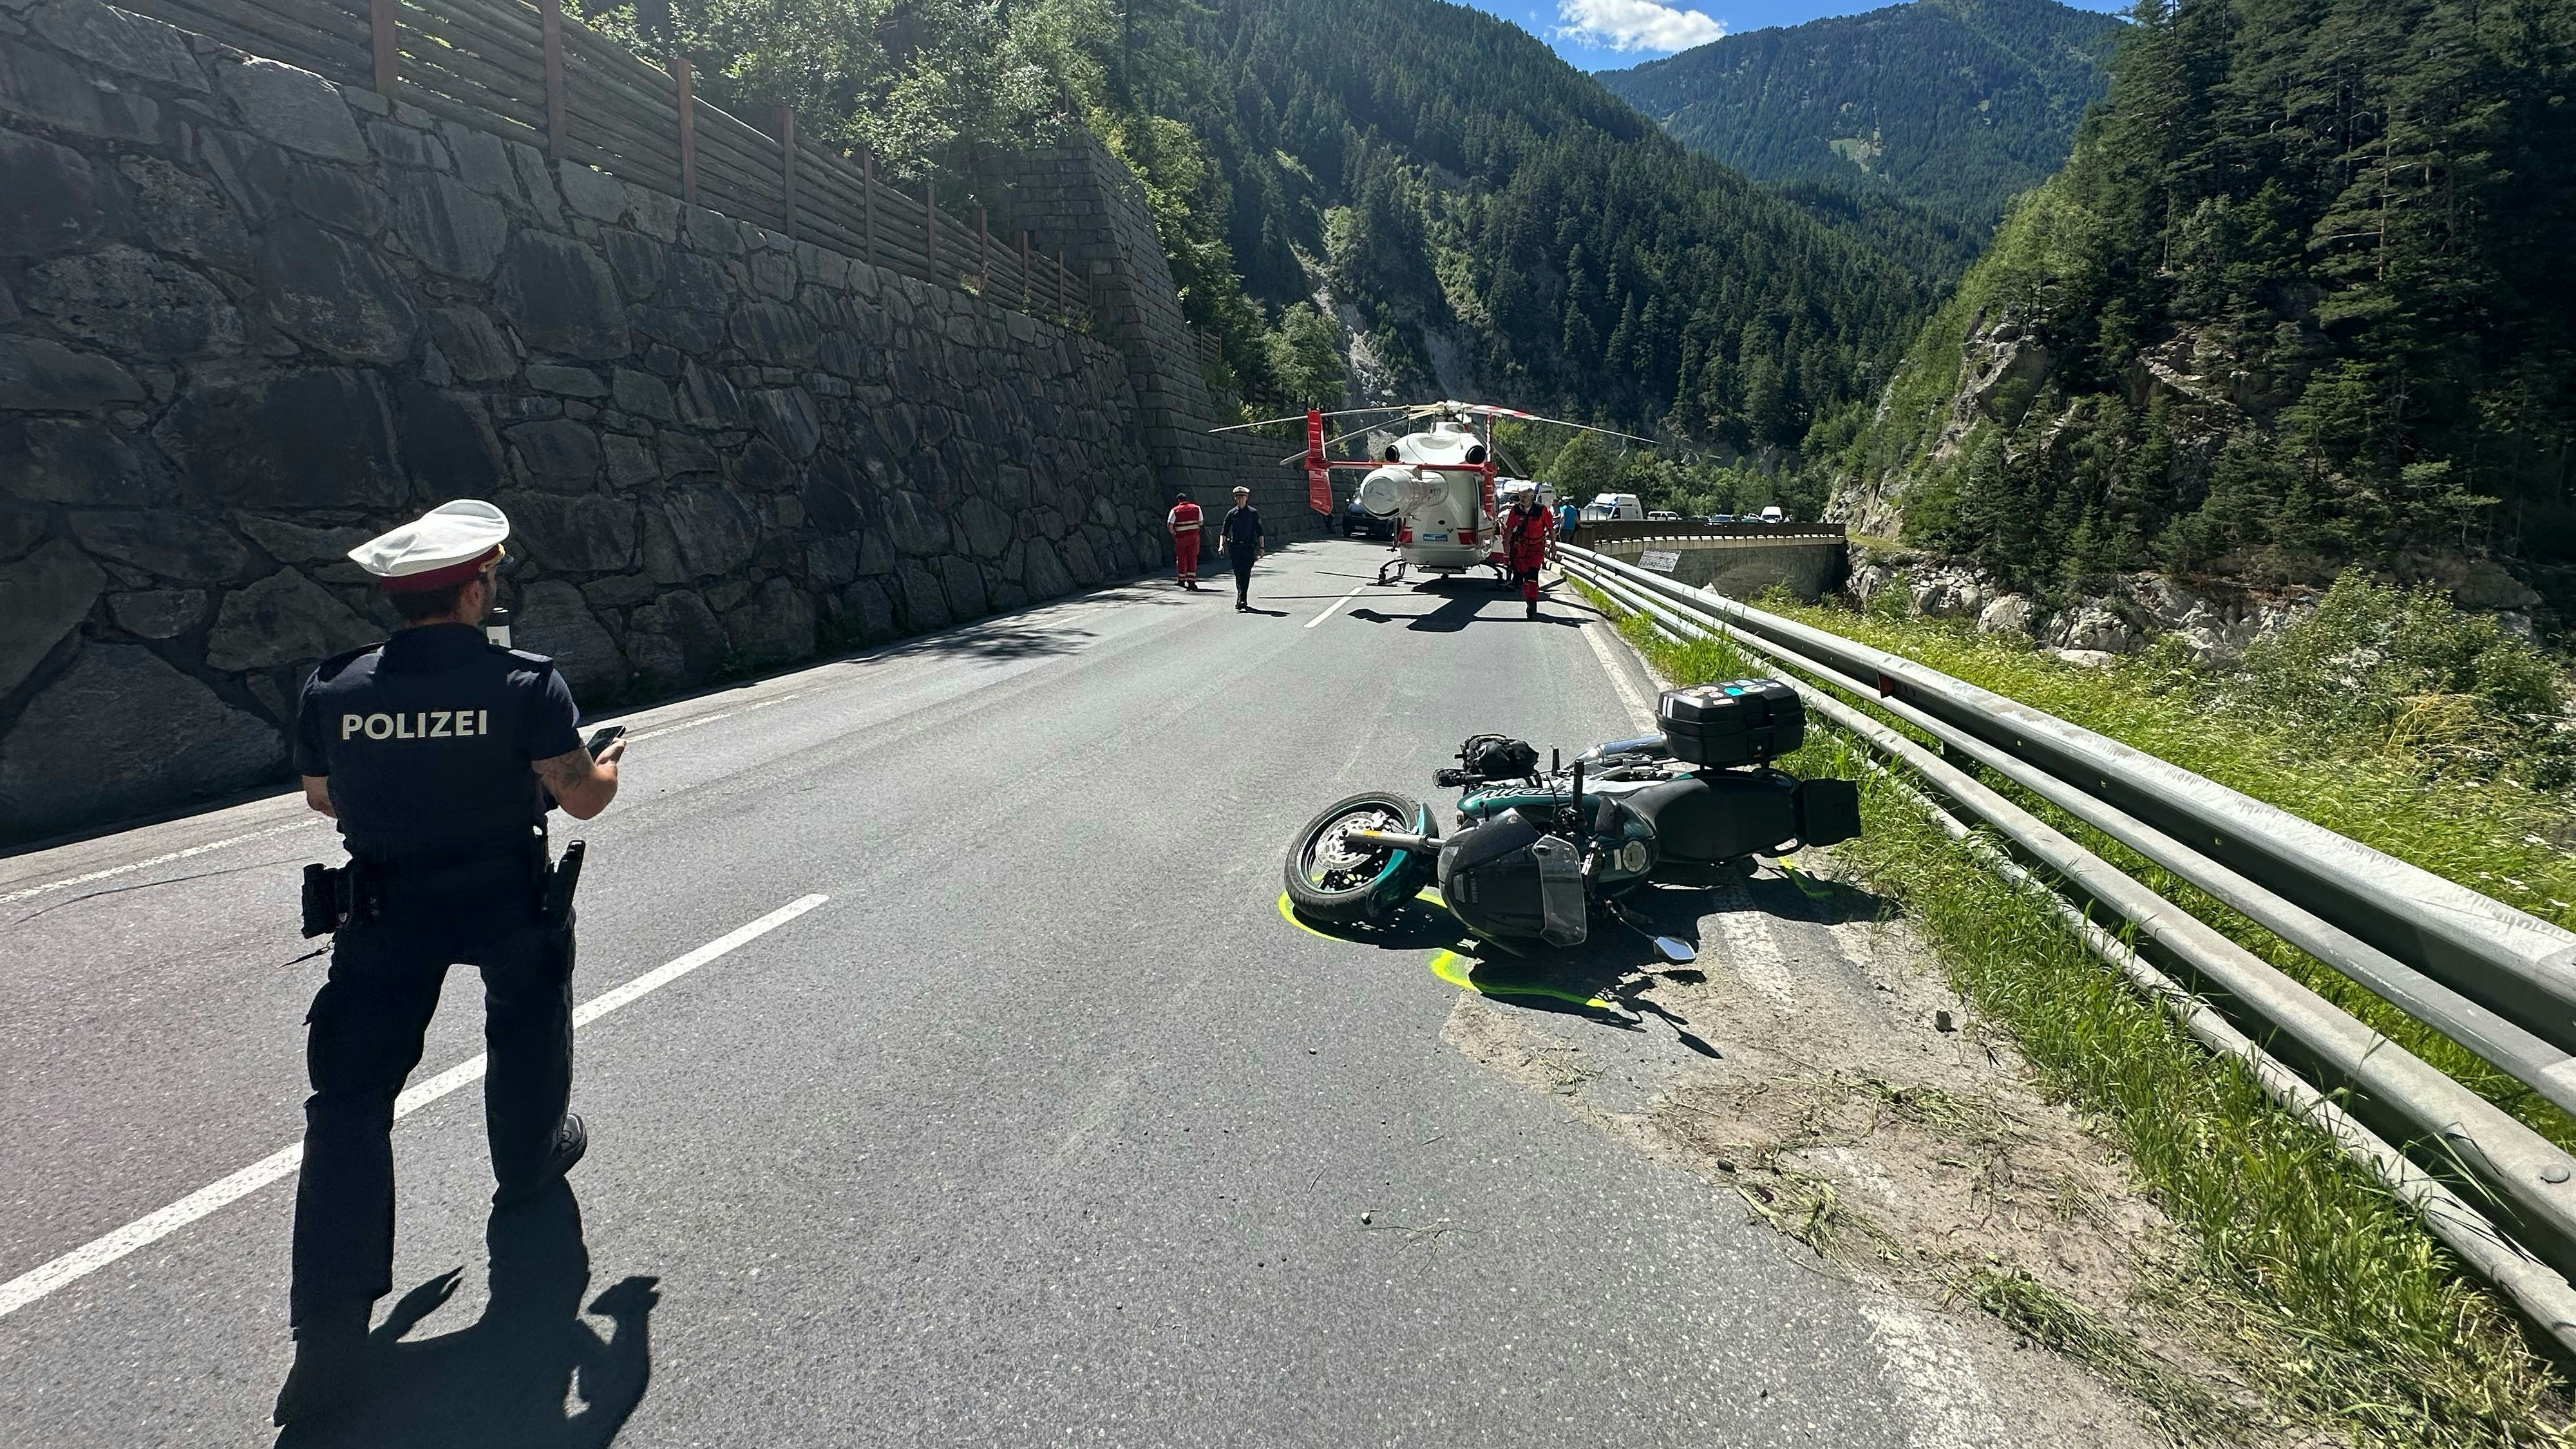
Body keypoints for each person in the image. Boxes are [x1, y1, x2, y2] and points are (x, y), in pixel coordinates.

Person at [274, 500, 625, 1427]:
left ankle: (330, 1334)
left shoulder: (334, 687)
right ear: (475, 588)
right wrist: (610, 764)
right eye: (490, 577)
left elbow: (321, 797)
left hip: (384, 908)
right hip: (504, 895)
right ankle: (528, 1160)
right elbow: (580, 798)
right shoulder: (525, 682)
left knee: (348, 1102)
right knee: (527, 1019)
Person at [1504, 492, 1555, 620]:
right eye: (1521, 496)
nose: (1522, 499)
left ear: (1532, 497)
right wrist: (1506, 544)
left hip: (1536, 548)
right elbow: (1510, 528)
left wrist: (1554, 545)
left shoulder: (1541, 510)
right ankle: (1530, 600)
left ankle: (1531, 604)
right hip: (1521, 549)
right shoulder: (1516, 510)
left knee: (1532, 575)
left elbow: (1550, 528)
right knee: (1526, 577)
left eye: (1525, 496)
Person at [1217, 484, 1265, 612]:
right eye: (1238, 498)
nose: (1240, 500)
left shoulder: (1253, 513)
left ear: (1247, 498)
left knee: (1246, 573)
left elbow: (1259, 531)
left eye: (1243, 497)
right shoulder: (1231, 514)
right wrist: (1221, 545)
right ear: (1235, 499)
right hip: (1236, 548)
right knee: (1238, 573)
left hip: (1249, 547)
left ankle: (1242, 598)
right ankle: (1241, 597)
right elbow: (1224, 532)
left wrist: (1262, 548)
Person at [1166, 491, 1203, 591]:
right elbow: (1201, 522)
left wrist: (1174, 533)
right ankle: (1192, 582)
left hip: (1181, 538)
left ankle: (1182, 580)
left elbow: (1170, 525)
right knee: (1192, 558)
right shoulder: (1196, 508)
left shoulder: (1175, 510)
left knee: (1181, 558)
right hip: (1194, 538)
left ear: (1179, 501)